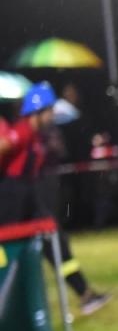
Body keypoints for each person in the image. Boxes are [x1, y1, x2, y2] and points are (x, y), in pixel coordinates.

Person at [0, 82, 111, 315]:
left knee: (57, 242)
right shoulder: (21, 131)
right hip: (12, 198)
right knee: (6, 253)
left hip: (29, 198)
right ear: (38, 111)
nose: (52, 115)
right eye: (49, 110)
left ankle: (85, 294)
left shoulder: (36, 135)